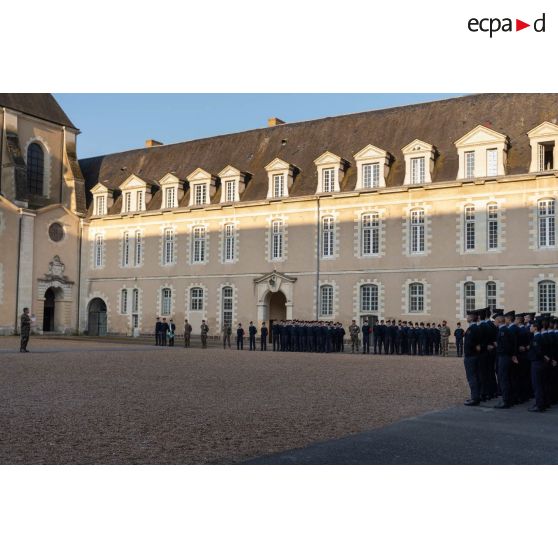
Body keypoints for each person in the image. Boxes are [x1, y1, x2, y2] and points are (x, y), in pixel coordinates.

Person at [494, 310, 518, 409]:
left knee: (504, 379)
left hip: (504, 357)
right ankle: (509, 399)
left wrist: (497, 346)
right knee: (507, 378)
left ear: (499, 320)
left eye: (495, 320)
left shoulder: (503, 331)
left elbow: (506, 346)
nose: (494, 322)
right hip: (507, 357)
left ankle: (506, 400)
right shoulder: (507, 330)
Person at [528, 318, 547, 412]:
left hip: (537, 363)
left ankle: (539, 405)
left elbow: (538, 351)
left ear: (535, 328)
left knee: (537, 385)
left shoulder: (536, 338)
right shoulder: (541, 337)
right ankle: (541, 403)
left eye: (531, 326)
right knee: (540, 384)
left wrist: (543, 356)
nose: (530, 328)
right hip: (540, 363)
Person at [463, 310, 481, 405]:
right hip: (475, 355)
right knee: (475, 376)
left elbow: (470, 343)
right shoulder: (476, 328)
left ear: (471, 317)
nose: (467, 318)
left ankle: (474, 398)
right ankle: (477, 396)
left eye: (468, 316)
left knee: (472, 377)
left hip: (471, 356)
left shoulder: (471, 329)